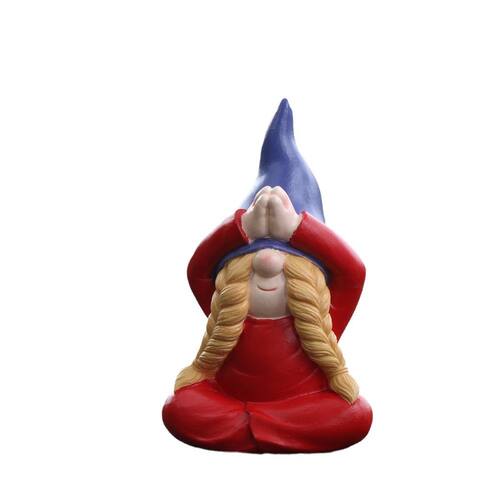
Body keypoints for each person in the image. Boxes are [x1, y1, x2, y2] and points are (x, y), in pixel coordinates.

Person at [162, 100, 372, 453]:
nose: (269, 266)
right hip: (229, 400)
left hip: (301, 405)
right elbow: (197, 269)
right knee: (179, 408)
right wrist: (241, 228)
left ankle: (253, 428)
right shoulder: (226, 313)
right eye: (250, 267)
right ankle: (263, 428)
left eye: (289, 269)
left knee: (355, 415)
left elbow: (354, 272)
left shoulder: (321, 319)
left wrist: (298, 230)